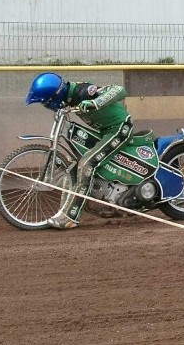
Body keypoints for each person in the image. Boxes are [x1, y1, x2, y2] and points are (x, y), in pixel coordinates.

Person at [25, 72, 133, 229]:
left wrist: (95, 102)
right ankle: (63, 212)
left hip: (119, 129)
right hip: (103, 132)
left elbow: (120, 90)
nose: (46, 107)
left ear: (53, 98)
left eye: (45, 103)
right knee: (73, 165)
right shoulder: (68, 99)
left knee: (87, 164)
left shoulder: (83, 92)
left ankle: (71, 217)